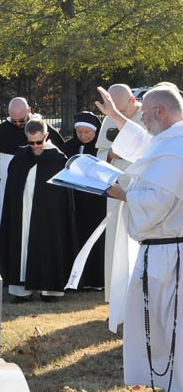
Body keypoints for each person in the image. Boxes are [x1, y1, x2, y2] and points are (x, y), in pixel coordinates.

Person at [95, 84, 183, 391]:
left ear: (160, 111)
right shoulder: (169, 140)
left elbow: (158, 202)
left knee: (171, 325)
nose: (142, 120)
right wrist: (115, 115)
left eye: (144, 113)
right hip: (161, 249)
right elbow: (144, 145)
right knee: (156, 325)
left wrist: (121, 194)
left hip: (171, 253)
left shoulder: (177, 146)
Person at [0, 118, 77, 303]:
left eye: (39, 142)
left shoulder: (58, 159)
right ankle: (21, 290)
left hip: (49, 215)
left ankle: (49, 290)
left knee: (48, 245)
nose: (35, 146)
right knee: (21, 245)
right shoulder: (20, 158)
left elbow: (64, 195)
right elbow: (12, 188)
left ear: (46, 136)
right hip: (23, 212)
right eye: (31, 142)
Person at [0, 97, 64, 259]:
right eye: (14, 120)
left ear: (29, 111)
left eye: (21, 120)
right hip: (5, 191)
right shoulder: (1, 132)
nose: (18, 124)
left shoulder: (43, 129)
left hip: (37, 194)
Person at [96, 83, 143, 308]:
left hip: (141, 187)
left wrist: (121, 151)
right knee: (115, 243)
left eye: (121, 111)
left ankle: (138, 304)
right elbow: (101, 154)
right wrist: (114, 153)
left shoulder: (148, 117)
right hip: (115, 187)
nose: (116, 116)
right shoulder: (109, 119)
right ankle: (117, 304)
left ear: (133, 101)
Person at [61, 111, 107, 289]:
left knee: (96, 239)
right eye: (79, 132)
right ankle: (78, 280)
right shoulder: (68, 147)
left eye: (87, 132)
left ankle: (96, 280)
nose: (83, 136)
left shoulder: (101, 149)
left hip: (96, 202)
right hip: (75, 201)